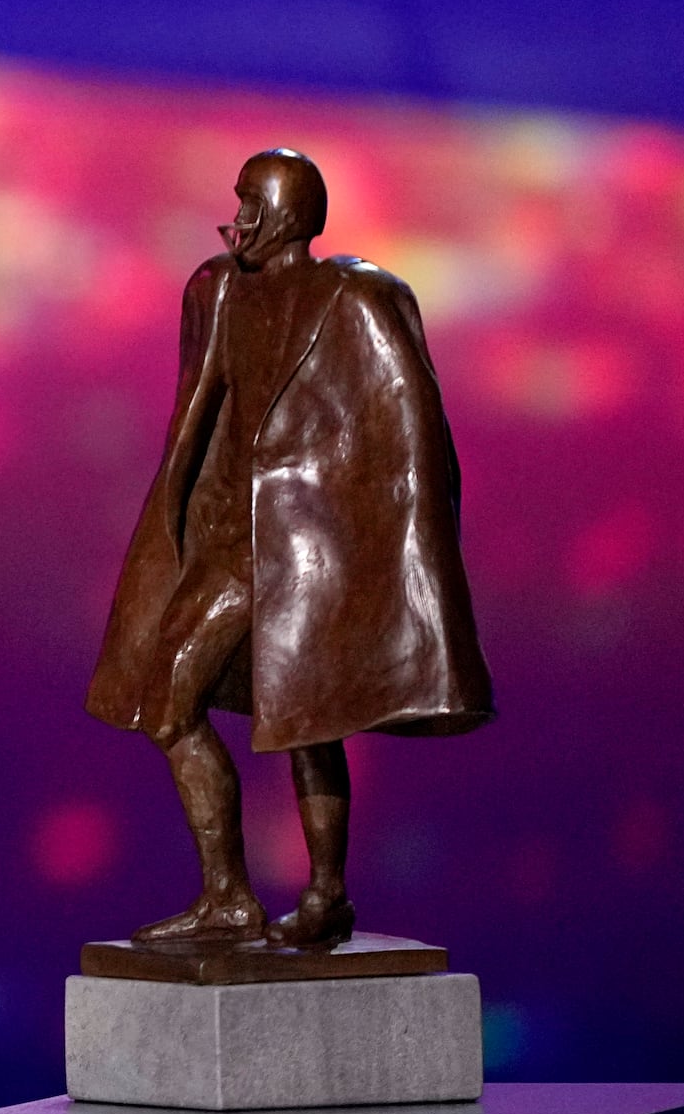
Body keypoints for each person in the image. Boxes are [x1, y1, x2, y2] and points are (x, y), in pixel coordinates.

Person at [86, 149, 489, 948]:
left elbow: (411, 433)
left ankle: (327, 895)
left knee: (309, 718)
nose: (235, 218)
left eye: (248, 202)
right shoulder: (219, 291)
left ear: (283, 212)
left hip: (312, 548)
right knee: (168, 704)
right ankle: (229, 896)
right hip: (229, 542)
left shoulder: (356, 298)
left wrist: (400, 557)